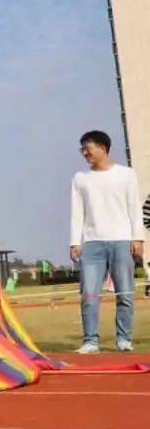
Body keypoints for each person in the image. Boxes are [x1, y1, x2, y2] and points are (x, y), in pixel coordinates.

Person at [70, 130, 144, 353]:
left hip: (122, 241)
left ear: (103, 148)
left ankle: (124, 339)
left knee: (125, 294)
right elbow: (77, 212)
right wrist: (75, 242)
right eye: (82, 149)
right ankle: (90, 341)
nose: (85, 153)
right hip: (92, 243)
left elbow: (134, 207)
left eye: (88, 148)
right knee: (90, 295)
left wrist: (138, 238)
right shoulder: (80, 179)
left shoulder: (126, 174)